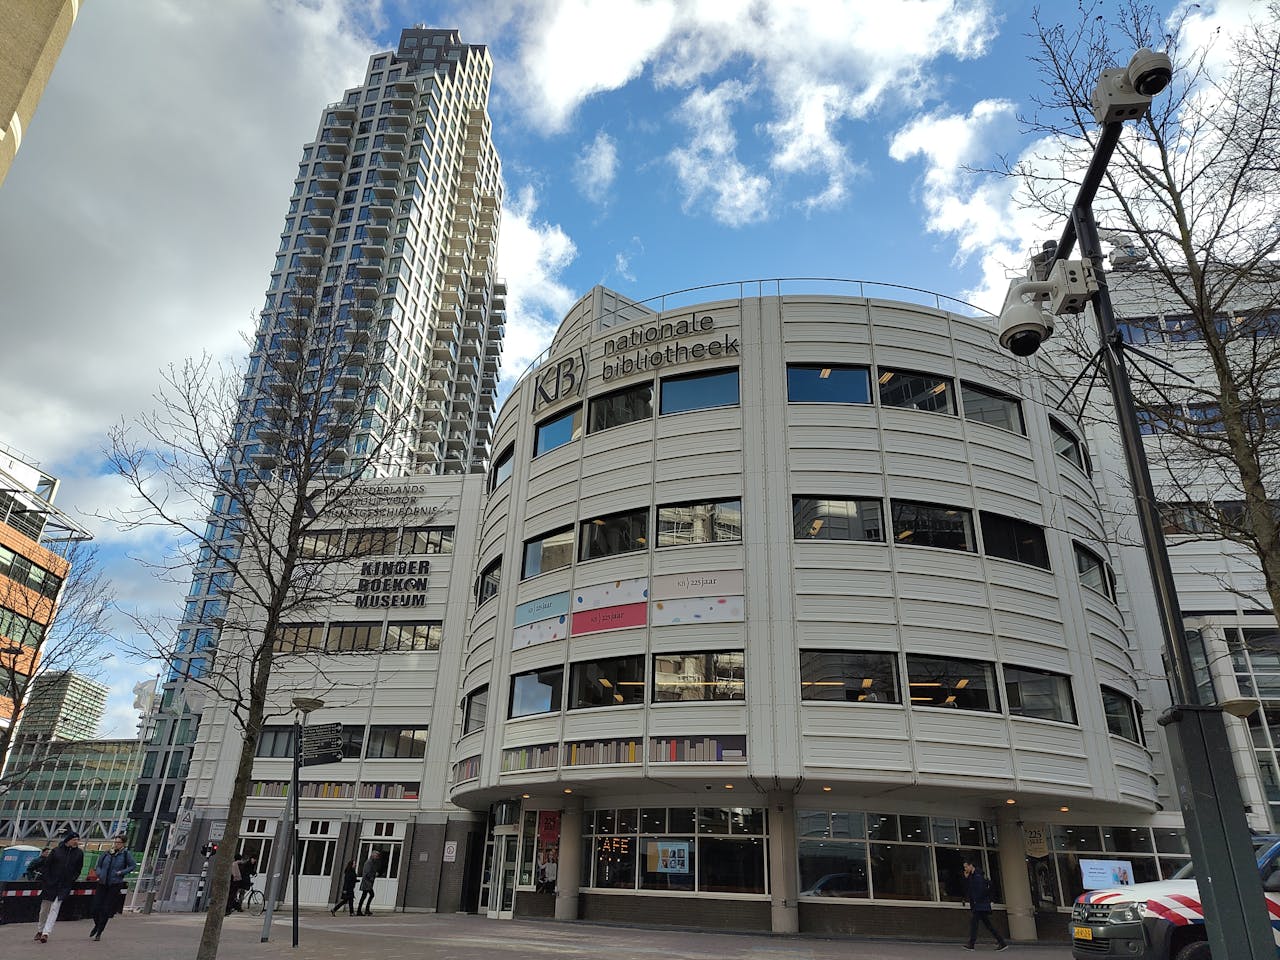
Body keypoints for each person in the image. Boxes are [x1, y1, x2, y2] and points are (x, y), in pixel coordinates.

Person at [35, 830, 84, 944]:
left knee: (54, 908)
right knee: (44, 909)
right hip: (50, 884)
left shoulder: (79, 854)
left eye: (77, 840)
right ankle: (40, 929)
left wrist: (72, 879)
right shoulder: (56, 851)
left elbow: (78, 869)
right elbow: (47, 866)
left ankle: (46, 933)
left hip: (64, 885)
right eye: (74, 840)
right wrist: (47, 880)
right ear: (68, 840)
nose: (76, 842)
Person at [88, 834, 136, 941]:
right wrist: (100, 874)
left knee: (105, 909)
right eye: (115, 842)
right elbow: (98, 865)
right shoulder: (107, 853)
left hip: (115, 884)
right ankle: (97, 925)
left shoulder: (125, 854)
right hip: (102, 883)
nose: (116, 844)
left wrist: (121, 872)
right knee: (95, 908)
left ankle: (99, 932)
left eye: (118, 843)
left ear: (123, 844)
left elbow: (133, 865)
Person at [961, 859, 1010, 951]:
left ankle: (971, 944)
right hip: (980, 905)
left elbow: (978, 891)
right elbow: (969, 889)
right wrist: (967, 878)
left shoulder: (978, 876)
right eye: (964, 867)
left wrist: (976, 901)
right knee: (988, 925)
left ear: (971, 866)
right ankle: (1002, 942)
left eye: (966, 866)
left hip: (979, 904)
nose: (965, 868)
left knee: (974, 924)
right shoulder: (973, 876)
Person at [356, 850, 381, 916]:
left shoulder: (372, 862)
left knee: (365, 896)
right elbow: (367, 873)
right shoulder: (369, 862)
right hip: (366, 882)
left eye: (378, 856)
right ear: (373, 855)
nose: (377, 858)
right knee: (369, 895)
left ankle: (363, 910)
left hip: (368, 882)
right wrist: (373, 876)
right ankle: (362, 910)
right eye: (376, 856)